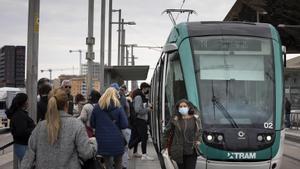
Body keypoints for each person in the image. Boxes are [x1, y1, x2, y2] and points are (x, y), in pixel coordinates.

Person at [20, 88, 97, 169]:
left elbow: (28, 160)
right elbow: (86, 154)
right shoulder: (77, 125)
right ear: (66, 105)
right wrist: (94, 143)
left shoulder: (39, 127)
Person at [90, 87, 128, 169]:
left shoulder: (97, 108)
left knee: (107, 163)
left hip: (102, 141)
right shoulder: (118, 107)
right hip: (117, 140)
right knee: (118, 162)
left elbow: (92, 124)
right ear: (116, 96)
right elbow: (125, 124)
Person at [162, 99, 202, 169]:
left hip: (192, 151)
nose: (182, 108)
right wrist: (164, 146)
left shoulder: (195, 118)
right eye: (180, 107)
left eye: (184, 106)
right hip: (178, 151)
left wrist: (199, 140)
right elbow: (166, 132)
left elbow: (200, 131)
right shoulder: (175, 119)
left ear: (189, 107)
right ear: (178, 108)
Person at [5, 93, 35, 164]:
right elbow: (21, 132)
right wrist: (35, 128)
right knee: (26, 165)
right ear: (23, 103)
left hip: (21, 146)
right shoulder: (19, 115)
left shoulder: (19, 113)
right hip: (23, 146)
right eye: (27, 100)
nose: (28, 102)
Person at [130, 82, 154, 160]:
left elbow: (141, 106)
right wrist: (148, 109)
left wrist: (148, 105)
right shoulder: (139, 97)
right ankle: (144, 155)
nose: (148, 90)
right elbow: (137, 110)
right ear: (144, 88)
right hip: (140, 120)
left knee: (137, 136)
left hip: (140, 120)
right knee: (143, 137)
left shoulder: (141, 97)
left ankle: (135, 152)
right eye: (147, 89)